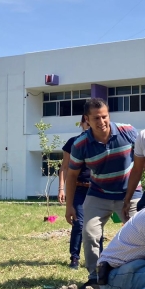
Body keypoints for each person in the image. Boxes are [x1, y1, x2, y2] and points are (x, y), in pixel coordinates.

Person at [65, 98, 142, 289]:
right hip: (98, 194)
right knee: (89, 233)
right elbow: (72, 175)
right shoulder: (80, 144)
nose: (101, 122)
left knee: (140, 235)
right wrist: (69, 205)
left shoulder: (128, 132)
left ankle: (139, 274)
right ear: (87, 120)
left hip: (130, 194)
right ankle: (95, 277)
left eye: (104, 116)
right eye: (96, 118)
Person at [58, 115, 102, 269]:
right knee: (79, 223)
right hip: (78, 189)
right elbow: (64, 168)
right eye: (87, 122)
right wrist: (61, 188)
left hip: (96, 189)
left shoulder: (100, 143)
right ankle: (74, 258)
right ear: (82, 123)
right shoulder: (73, 142)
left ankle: (99, 259)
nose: (90, 125)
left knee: (96, 225)